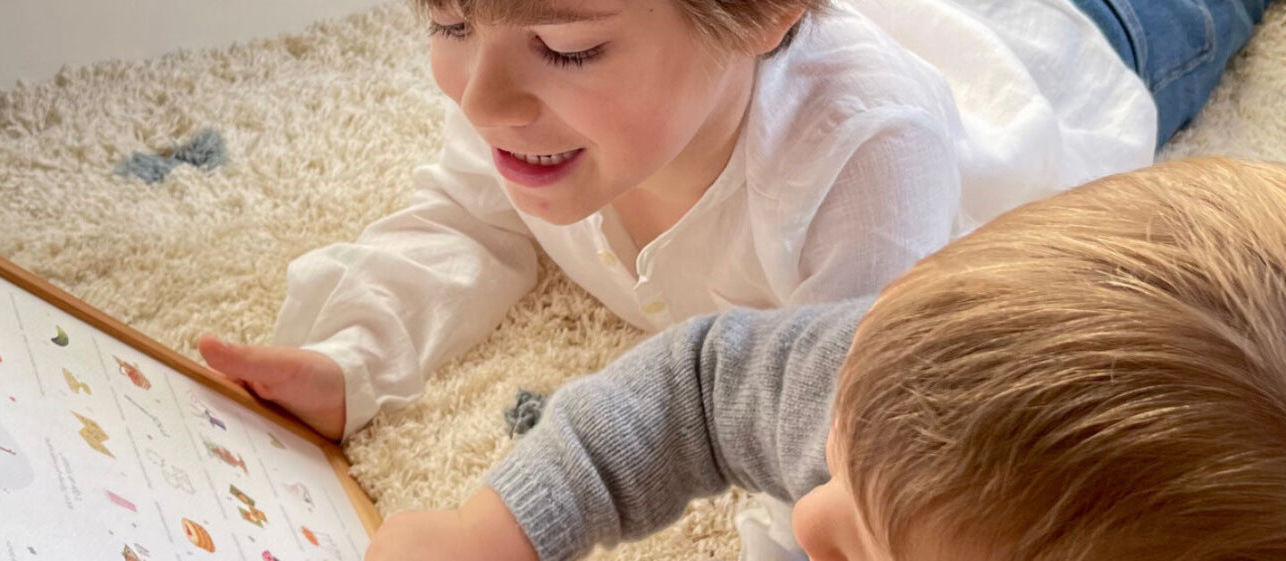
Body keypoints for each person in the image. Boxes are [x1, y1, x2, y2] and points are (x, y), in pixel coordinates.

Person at [364, 157, 1286, 561]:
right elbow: (698, 386)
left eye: (868, 549)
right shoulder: (887, 389)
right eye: (837, 468)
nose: (806, 518)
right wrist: (499, 527)